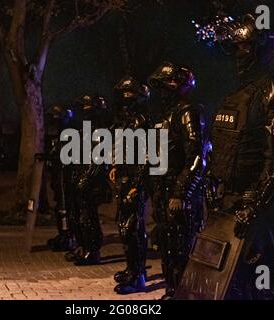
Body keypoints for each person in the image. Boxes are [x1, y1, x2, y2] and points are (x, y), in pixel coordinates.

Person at [210, 14, 274, 299]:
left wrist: (257, 206)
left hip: (258, 207)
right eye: (236, 48)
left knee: (266, 286)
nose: (238, 55)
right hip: (232, 201)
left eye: (244, 47)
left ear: (263, 50)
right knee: (236, 284)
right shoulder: (239, 94)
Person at [147, 62, 209, 299]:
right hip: (163, 189)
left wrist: (182, 192)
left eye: (164, 85)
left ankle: (185, 292)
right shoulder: (164, 115)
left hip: (178, 191)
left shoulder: (188, 111)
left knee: (182, 244)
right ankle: (173, 289)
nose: (161, 91)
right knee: (167, 243)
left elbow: (197, 156)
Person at [109, 76, 151, 294]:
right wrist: (115, 164)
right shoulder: (125, 121)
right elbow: (120, 145)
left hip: (135, 178)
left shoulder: (143, 121)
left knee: (133, 227)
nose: (126, 100)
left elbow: (148, 155)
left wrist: (138, 184)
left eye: (130, 96)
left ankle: (138, 275)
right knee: (125, 227)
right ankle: (132, 269)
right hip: (126, 175)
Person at [65, 95, 112, 266]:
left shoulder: (100, 131)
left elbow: (99, 159)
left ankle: (93, 250)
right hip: (81, 178)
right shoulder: (84, 130)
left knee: (89, 216)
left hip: (92, 182)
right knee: (79, 215)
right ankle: (83, 246)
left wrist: (87, 178)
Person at [46, 105, 78, 252]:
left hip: (66, 178)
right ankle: (63, 233)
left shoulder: (70, 135)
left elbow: (68, 158)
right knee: (60, 206)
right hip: (58, 177)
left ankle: (68, 235)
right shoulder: (59, 135)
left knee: (66, 207)